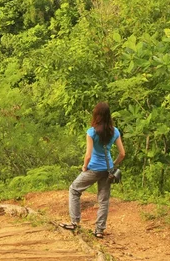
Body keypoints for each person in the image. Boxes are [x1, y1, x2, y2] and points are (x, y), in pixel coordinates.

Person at [59, 102, 125, 238]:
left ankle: (74, 222)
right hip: (108, 170)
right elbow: (122, 153)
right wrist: (113, 164)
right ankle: (99, 230)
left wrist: (84, 167)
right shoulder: (115, 131)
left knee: (74, 190)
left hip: (93, 168)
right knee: (103, 200)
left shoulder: (92, 132)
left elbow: (88, 155)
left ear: (97, 115)